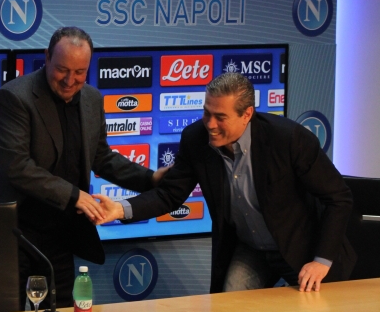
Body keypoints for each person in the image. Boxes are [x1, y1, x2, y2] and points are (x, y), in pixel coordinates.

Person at [94, 72, 356, 293]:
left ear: (247, 114)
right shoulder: (195, 139)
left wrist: (322, 260)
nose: (210, 124)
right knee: (230, 309)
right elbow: (169, 195)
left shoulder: (289, 139)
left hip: (302, 247)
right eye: (206, 113)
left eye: (220, 117)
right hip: (250, 248)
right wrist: (119, 209)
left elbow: (338, 198)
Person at [0, 26, 162, 308]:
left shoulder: (92, 99)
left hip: (59, 233)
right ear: (47, 57)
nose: (70, 80)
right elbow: (17, 166)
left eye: (80, 72)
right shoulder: (13, 98)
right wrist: (75, 196)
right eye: (62, 70)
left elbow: (102, 157)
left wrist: (151, 178)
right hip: (10, 233)